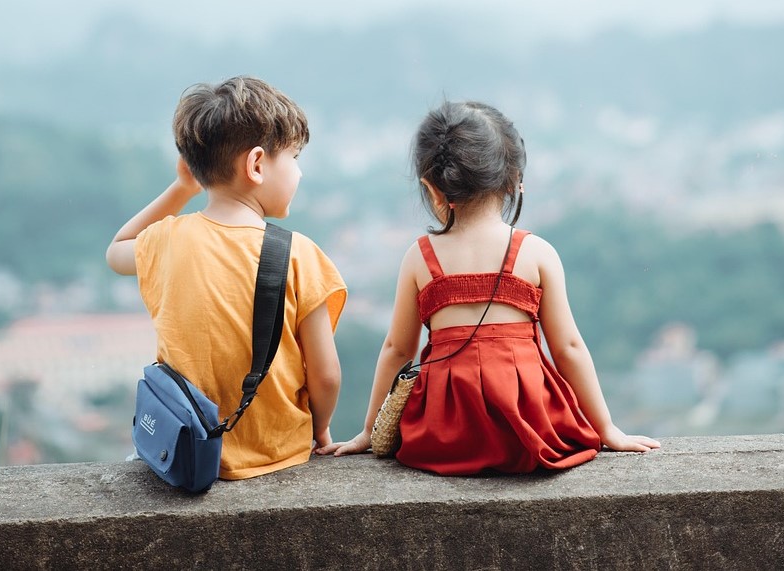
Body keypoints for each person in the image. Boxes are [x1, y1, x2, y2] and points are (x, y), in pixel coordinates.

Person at [317, 101, 659, 474]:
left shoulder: (419, 257)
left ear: (432, 188)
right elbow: (568, 347)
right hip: (527, 428)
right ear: (513, 181)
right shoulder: (536, 253)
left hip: (444, 434)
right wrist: (607, 428)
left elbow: (398, 349)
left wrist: (370, 430)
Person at [106, 76, 347, 480]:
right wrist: (319, 428)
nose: (300, 173)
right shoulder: (300, 255)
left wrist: (183, 189)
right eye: (293, 157)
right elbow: (326, 376)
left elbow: (117, 250)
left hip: (189, 451)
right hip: (278, 455)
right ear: (256, 165)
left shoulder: (166, 240)